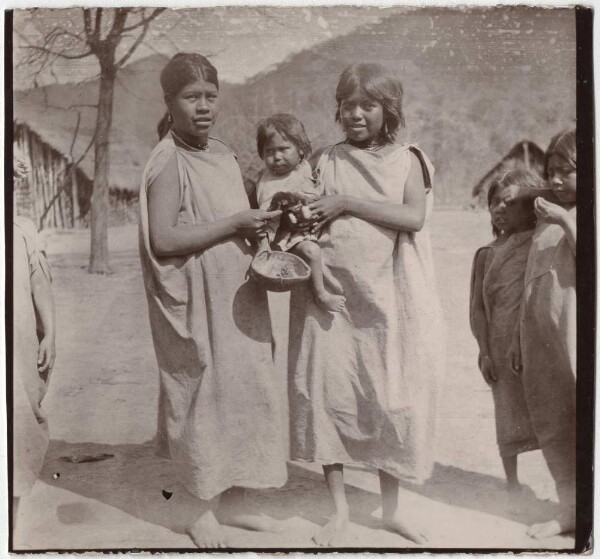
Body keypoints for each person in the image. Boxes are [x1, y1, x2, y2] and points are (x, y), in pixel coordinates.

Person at [287, 63, 445, 546]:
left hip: (390, 296)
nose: (355, 114)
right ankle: (337, 510)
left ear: (388, 111)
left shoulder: (408, 159)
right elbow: (303, 218)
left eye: (367, 106)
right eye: (348, 105)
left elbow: (413, 217)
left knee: (390, 396)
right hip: (332, 295)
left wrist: (347, 203)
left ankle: (391, 510)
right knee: (329, 396)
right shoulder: (325, 158)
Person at [139, 53, 287, 548]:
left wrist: (264, 236)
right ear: (170, 102)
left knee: (247, 389)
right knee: (204, 396)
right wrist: (233, 226)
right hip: (198, 298)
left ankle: (238, 501)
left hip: (239, 293)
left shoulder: (222, 153)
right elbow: (163, 239)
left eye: (210, 96)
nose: (203, 107)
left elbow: (238, 216)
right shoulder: (167, 159)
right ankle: (198, 510)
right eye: (191, 97)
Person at [508, 130, 577, 539]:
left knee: (587, 420)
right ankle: (568, 508)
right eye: (551, 172)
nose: (555, 180)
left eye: (566, 172)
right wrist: (519, 336)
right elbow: (531, 280)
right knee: (552, 422)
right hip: (541, 336)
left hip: (577, 337)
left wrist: (566, 219)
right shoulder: (546, 216)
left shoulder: (578, 213)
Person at [469, 170, 542, 494]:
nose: (499, 208)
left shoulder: (540, 246)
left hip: (538, 341)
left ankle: (565, 481)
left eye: (510, 202)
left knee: (550, 410)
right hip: (499, 345)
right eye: (494, 202)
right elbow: (478, 308)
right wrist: (484, 351)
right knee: (507, 413)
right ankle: (512, 484)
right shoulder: (486, 254)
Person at [255, 113, 345, 312]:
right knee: (312, 252)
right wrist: (266, 242)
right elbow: (267, 217)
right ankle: (321, 294)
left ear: (301, 151)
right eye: (269, 151)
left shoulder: (304, 167)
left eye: (284, 149)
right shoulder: (269, 184)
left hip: (310, 226)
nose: (277, 157)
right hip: (288, 236)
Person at [13, 160, 56, 534]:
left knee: (20, 420)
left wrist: (50, 334)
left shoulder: (22, 229)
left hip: (16, 347)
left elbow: (40, 284)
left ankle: (9, 525)